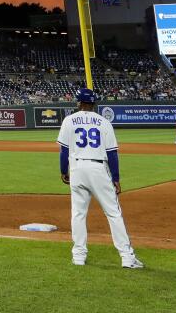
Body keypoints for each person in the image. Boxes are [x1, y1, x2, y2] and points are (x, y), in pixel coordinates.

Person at [58, 88, 142, 269]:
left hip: (77, 169)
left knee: (78, 214)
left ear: (79, 103)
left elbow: (64, 151)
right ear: (94, 104)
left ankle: (79, 256)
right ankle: (127, 258)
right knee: (113, 213)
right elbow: (112, 154)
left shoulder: (68, 120)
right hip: (98, 169)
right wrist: (116, 177)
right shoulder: (104, 122)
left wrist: (64, 171)